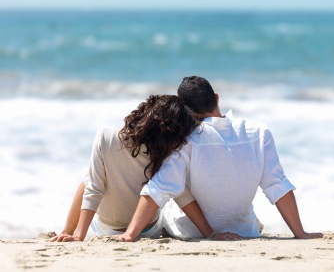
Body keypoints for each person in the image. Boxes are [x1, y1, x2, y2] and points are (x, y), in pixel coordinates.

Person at [116, 76, 323, 242]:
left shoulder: (186, 140)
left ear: (185, 111)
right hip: (246, 231)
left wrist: (130, 234)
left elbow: (159, 189)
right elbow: (277, 185)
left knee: (170, 198)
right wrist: (300, 233)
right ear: (216, 97)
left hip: (190, 232)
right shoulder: (259, 133)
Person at [51, 94, 239, 242]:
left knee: (90, 178)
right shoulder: (166, 150)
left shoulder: (105, 137)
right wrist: (210, 233)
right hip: (148, 230)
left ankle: (67, 231)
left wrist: (78, 235)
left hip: (105, 229)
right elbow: (182, 194)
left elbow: (94, 189)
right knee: (171, 186)